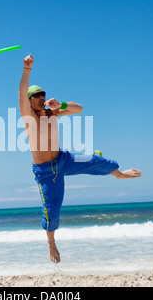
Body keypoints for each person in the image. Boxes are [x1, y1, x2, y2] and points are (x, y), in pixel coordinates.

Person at [18, 54, 142, 263]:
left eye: (42, 94)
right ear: (30, 101)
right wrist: (27, 70)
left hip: (63, 159)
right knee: (51, 209)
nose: (41, 97)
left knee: (98, 162)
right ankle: (51, 244)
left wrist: (61, 104)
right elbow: (21, 94)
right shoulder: (28, 116)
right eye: (36, 95)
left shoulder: (52, 113)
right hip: (46, 171)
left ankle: (118, 174)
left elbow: (79, 109)